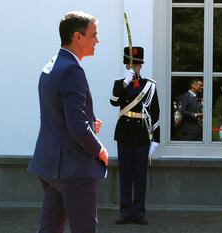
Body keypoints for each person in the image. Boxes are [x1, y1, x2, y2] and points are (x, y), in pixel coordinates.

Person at [28, 11, 108, 233]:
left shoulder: (51, 66)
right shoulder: (72, 70)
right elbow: (77, 127)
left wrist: (90, 122)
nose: (97, 41)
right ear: (77, 37)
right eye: (94, 35)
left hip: (50, 166)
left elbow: (57, 115)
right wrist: (99, 149)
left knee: (50, 228)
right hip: (74, 169)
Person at [110, 46, 160, 225]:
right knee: (125, 175)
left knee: (140, 175)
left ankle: (139, 213)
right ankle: (125, 212)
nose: (135, 67)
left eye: (137, 65)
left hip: (141, 134)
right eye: (132, 64)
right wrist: (125, 83)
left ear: (141, 65)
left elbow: (155, 113)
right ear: (127, 65)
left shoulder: (150, 86)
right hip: (124, 132)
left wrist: (156, 139)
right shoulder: (119, 83)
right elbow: (113, 101)